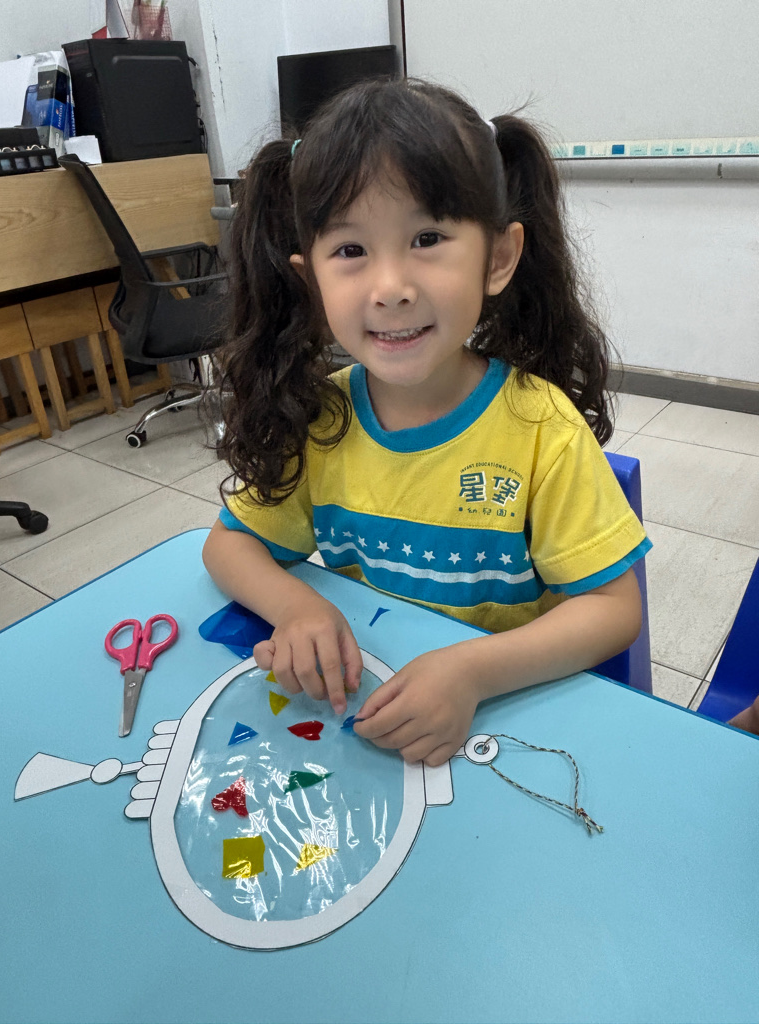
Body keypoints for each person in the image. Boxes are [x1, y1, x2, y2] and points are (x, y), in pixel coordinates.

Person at [202, 77, 651, 767]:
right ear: (310, 278)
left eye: (427, 238)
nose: (391, 288)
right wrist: (297, 608)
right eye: (350, 251)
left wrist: (472, 672)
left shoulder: (541, 430)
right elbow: (228, 546)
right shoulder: (319, 417)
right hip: (370, 722)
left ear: (498, 258)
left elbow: (615, 609)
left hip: (504, 722)